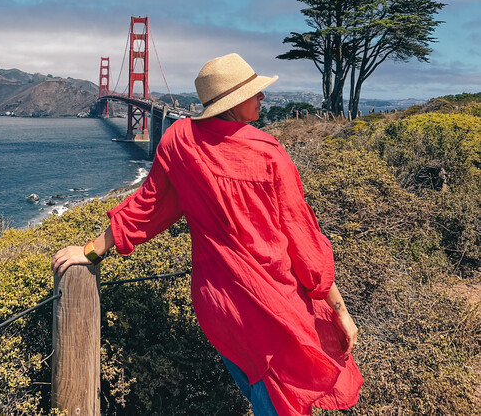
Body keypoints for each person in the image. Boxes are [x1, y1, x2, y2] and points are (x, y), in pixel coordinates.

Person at [51, 53, 362, 416]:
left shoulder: (179, 140)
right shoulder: (269, 154)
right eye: (255, 92)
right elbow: (305, 244)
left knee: (257, 386)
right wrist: (340, 312)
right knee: (280, 399)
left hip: (218, 307)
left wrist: (91, 250)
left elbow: (147, 206)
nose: (263, 97)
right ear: (232, 103)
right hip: (271, 307)